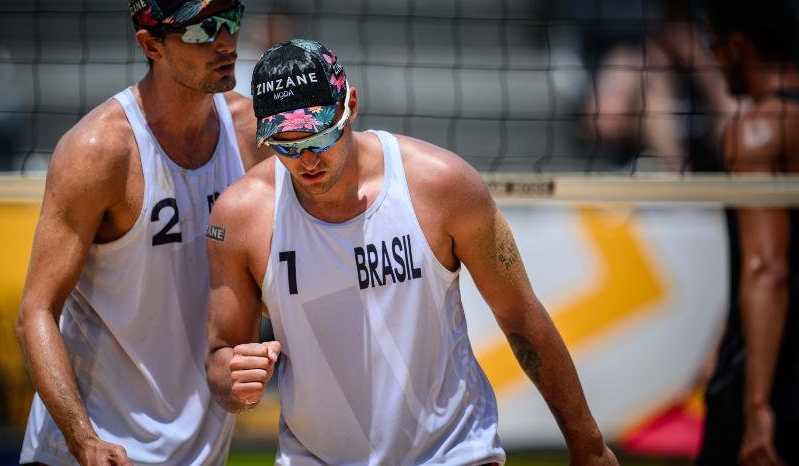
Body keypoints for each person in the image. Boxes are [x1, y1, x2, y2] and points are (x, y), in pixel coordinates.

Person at [204, 39, 619, 465]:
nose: (306, 159)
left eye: (320, 135)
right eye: (285, 145)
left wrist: (588, 445)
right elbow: (221, 355)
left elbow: (520, 314)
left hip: (452, 453)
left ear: (351, 105)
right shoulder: (241, 218)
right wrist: (234, 383)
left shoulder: (442, 185)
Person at [14, 0, 270, 464]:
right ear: (151, 45)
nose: (226, 41)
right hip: (92, 452)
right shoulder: (99, 151)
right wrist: (83, 440)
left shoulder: (251, 132)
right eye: (203, 27)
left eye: (232, 18)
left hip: (200, 451)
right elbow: (34, 314)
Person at [698, 0, 799, 466]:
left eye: (712, 43)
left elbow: (766, 267)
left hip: (775, 376)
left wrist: (757, 405)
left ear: (736, 46)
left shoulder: (758, 130)